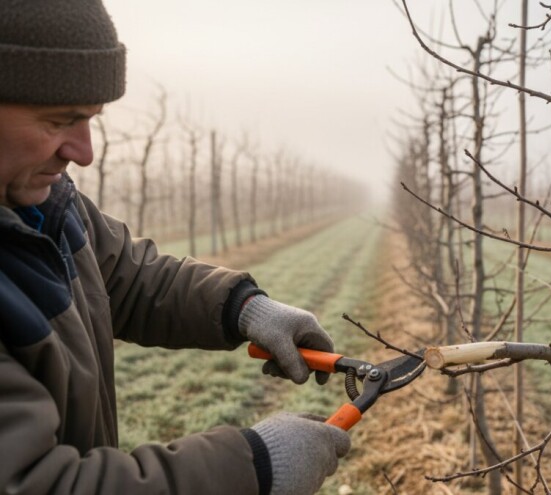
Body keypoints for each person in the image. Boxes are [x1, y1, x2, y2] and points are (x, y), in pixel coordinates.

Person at [0, 1, 351, 494]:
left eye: (91, 120)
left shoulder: (43, 204)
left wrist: (243, 307)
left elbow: (125, 275)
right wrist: (252, 468)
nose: (84, 152)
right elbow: (36, 485)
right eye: (58, 121)